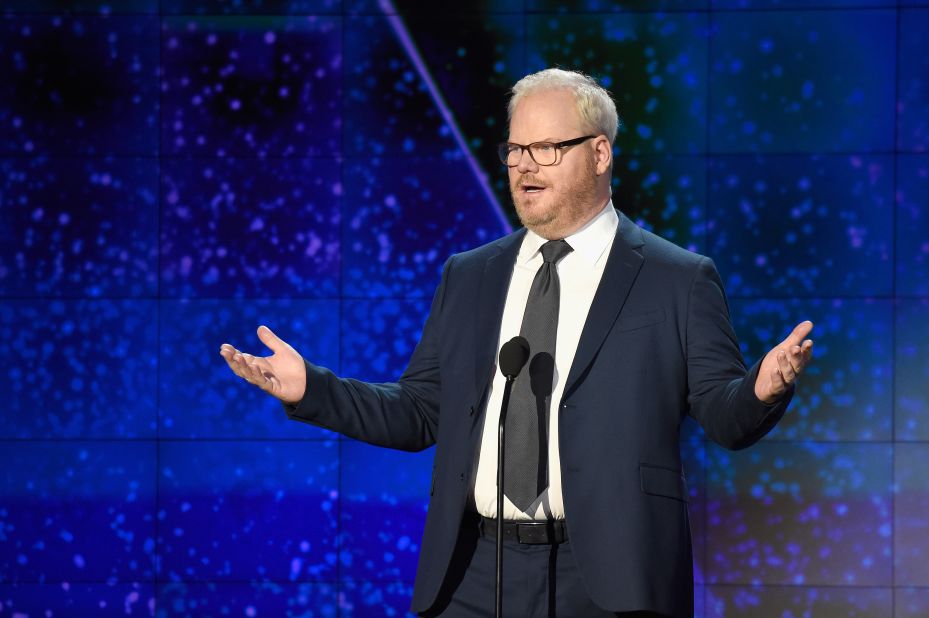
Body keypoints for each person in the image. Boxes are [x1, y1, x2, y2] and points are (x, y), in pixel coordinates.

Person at [220, 68, 814, 617]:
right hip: (474, 572)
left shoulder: (676, 278)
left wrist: (762, 388)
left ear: (600, 154)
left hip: (609, 578)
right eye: (515, 150)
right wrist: (311, 390)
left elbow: (723, 414)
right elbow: (421, 412)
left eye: (548, 149)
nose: (526, 166)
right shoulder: (470, 275)